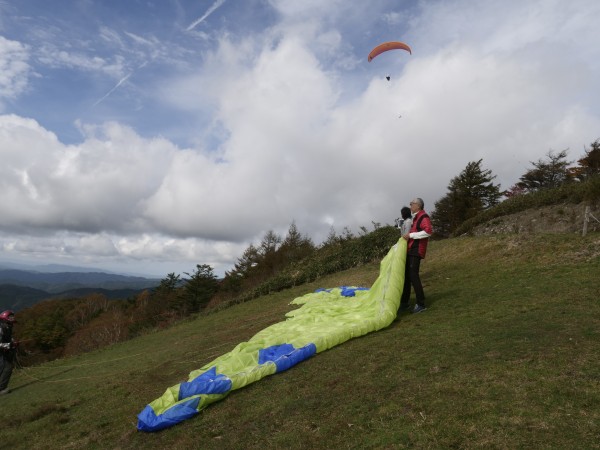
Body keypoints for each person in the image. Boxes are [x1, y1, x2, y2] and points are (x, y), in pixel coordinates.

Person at [399, 198, 433, 314]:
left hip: (416, 250)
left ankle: (421, 304)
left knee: (413, 275)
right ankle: (404, 302)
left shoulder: (424, 216)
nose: (410, 206)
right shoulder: (416, 217)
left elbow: (428, 231)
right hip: (411, 249)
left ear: (418, 205)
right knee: (407, 276)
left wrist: (411, 235)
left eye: (411, 204)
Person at [0, 310, 18, 394]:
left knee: (8, 367)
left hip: (4, 352)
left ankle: (2, 388)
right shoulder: (1, 328)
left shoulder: (8, 326)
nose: (12, 318)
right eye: (10, 316)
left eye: (12, 316)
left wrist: (13, 342)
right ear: (5, 318)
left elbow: (8, 338)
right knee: (5, 367)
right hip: (1, 352)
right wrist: (9, 345)